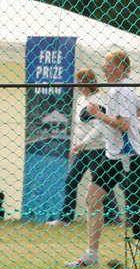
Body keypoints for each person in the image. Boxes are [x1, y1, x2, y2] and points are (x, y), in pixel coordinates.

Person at [66, 50, 140, 267]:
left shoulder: (119, 90)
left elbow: (124, 124)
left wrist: (98, 113)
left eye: (107, 65)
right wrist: (110, 115)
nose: (103, 69)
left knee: (137, 212)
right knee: (92, 198)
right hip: (114, 155)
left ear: (121, 67)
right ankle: (92, 254)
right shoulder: (124, 87)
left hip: (126, 157)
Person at [49, 68, 121, 227]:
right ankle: (66, 218)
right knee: (71, 180)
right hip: (82, 150)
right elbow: (78, 126)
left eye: (78, 80)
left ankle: (113, 218)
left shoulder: (98, 100)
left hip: (96, 149)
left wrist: (84, 142)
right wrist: (75, 145)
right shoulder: (81, 99)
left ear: (86, 82)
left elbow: (100, 126)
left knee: (101, 184)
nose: (75, 84)